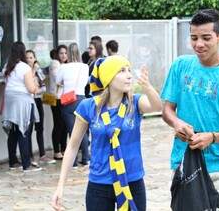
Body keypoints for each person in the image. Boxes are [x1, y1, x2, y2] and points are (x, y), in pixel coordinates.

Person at [160, 9, 219, 211]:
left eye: (206, 38)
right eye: (194, 38)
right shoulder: (180, 66)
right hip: (183, 162)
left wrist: (211, 137)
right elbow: (167, 110)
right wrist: (177, 123)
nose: (199, 44)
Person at [52, 55, 162, 211]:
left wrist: (148, 87)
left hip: (132, 181)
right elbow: (72, 146)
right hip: (100, 184)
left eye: (129, 70)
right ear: (109, 78)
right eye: (122, 71)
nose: (129, 75)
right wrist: (60, 186)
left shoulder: (135, 103)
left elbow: (157, 107)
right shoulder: (88, 106)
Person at [2, 41, 42, 172]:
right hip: (23, 102)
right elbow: (31, 89)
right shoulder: (25, 67)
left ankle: (13, 162)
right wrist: (36, 87)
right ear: (22, 52)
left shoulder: (8, 66)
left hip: (10, 100)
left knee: (13, 131)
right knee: (24, 130)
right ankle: (27, 164)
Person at [56, 42, 90, 166]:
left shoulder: (63, 67)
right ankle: (86, 158)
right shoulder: (84, 67)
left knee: (72, 131)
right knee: (82, 131)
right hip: (81, 99)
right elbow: (86, 82)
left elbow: (57, 81)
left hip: (68, 101)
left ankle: (73, 161)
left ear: (68, 54)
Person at [26, 50, 56, 165]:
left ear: (35, 59)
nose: (29, 59)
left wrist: (36, 90)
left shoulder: (38, 71)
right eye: (27, 57)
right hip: (28, 101)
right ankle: (30, 156)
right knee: (28, 129)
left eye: (31, 57)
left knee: (40, 128)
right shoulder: (24, 72)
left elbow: (43, 86)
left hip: (37, 100)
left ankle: (42, 154)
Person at [49, 46, 69, 160]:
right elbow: (59, 80)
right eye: (61, 53)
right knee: (58, 124)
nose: (64, 55)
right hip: (56, 98)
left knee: (65, 125)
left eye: (66, 53)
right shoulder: (55, 63)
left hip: (65, 97)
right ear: (57, 54)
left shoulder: (65, 65)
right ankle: (56, 151)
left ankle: (64, 149)